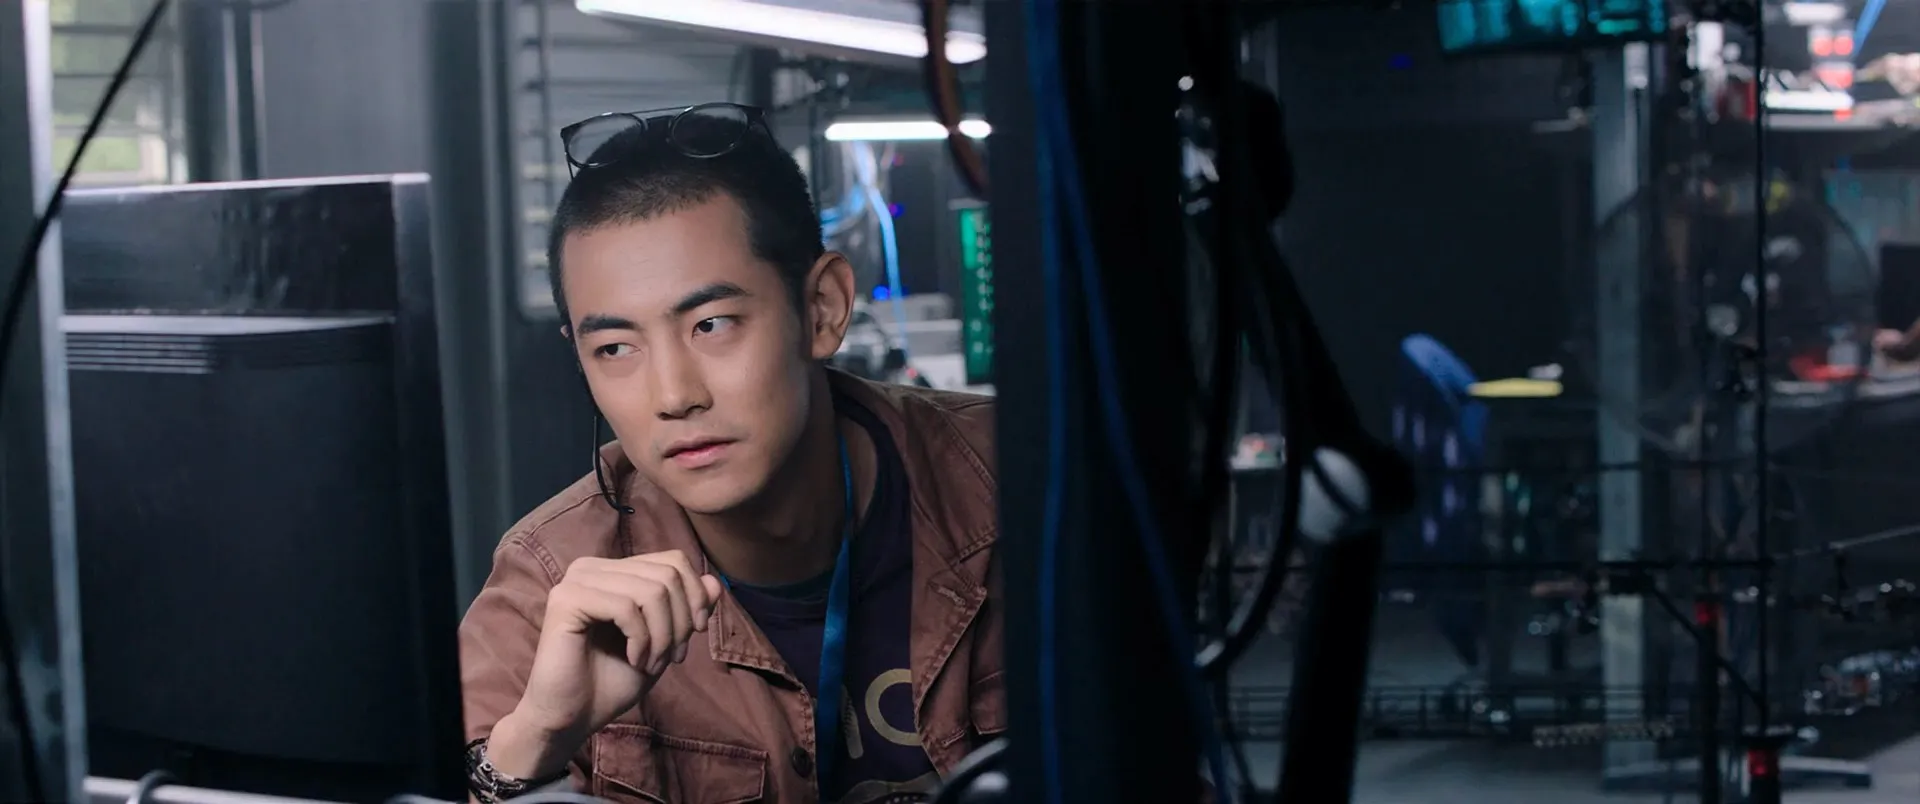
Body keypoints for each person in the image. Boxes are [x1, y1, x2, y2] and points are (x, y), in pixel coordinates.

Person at [457, 104, 1002, 804]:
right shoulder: (548, 582)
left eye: (711, 324)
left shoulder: (1019, 484)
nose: (673, 396)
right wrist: (534, 739)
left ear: (823, 308)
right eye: (615, 348)